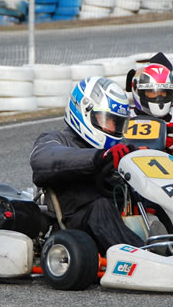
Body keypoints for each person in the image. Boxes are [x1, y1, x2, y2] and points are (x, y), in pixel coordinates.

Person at [30, 76, 143, 254]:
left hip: (116, 221)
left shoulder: (114, 150)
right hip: (76, 227)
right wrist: (99, 157)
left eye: (117, 123)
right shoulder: (56, 140)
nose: (113, 128)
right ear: (85, 110)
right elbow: (43, 159)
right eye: (108, 121)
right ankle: (143, 257)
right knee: (101, 206)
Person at [126, 52, 173, 167]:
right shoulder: (126, 115)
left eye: (163, 93)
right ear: (138, 91)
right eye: (152, 93)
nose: (159, 98)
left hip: (167, 171)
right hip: (131, 169)